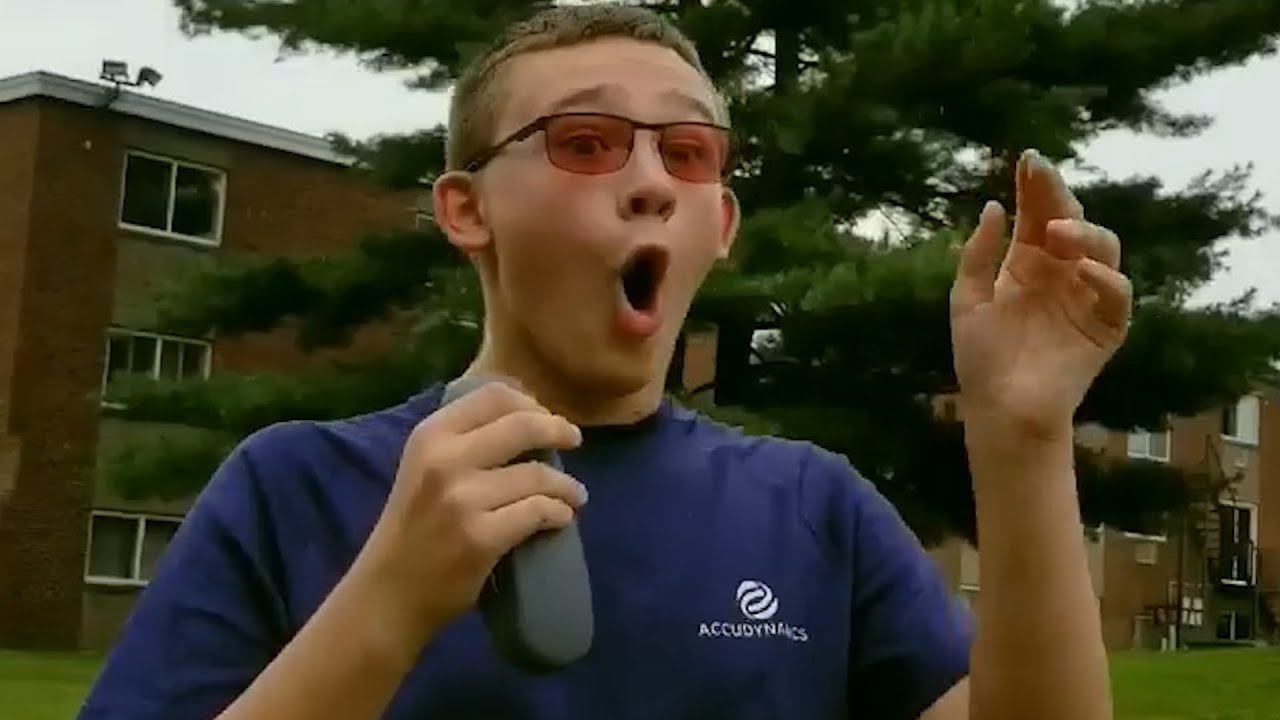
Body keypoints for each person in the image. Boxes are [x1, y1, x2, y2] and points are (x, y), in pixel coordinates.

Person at [77, 4, 1130, 720]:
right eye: (585, 143)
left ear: (719, 223)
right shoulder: (295, 485)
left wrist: (1024, 437)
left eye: (685, 154)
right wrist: (387, 605)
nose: (647, 182)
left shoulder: (812, 505)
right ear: (466, 208)